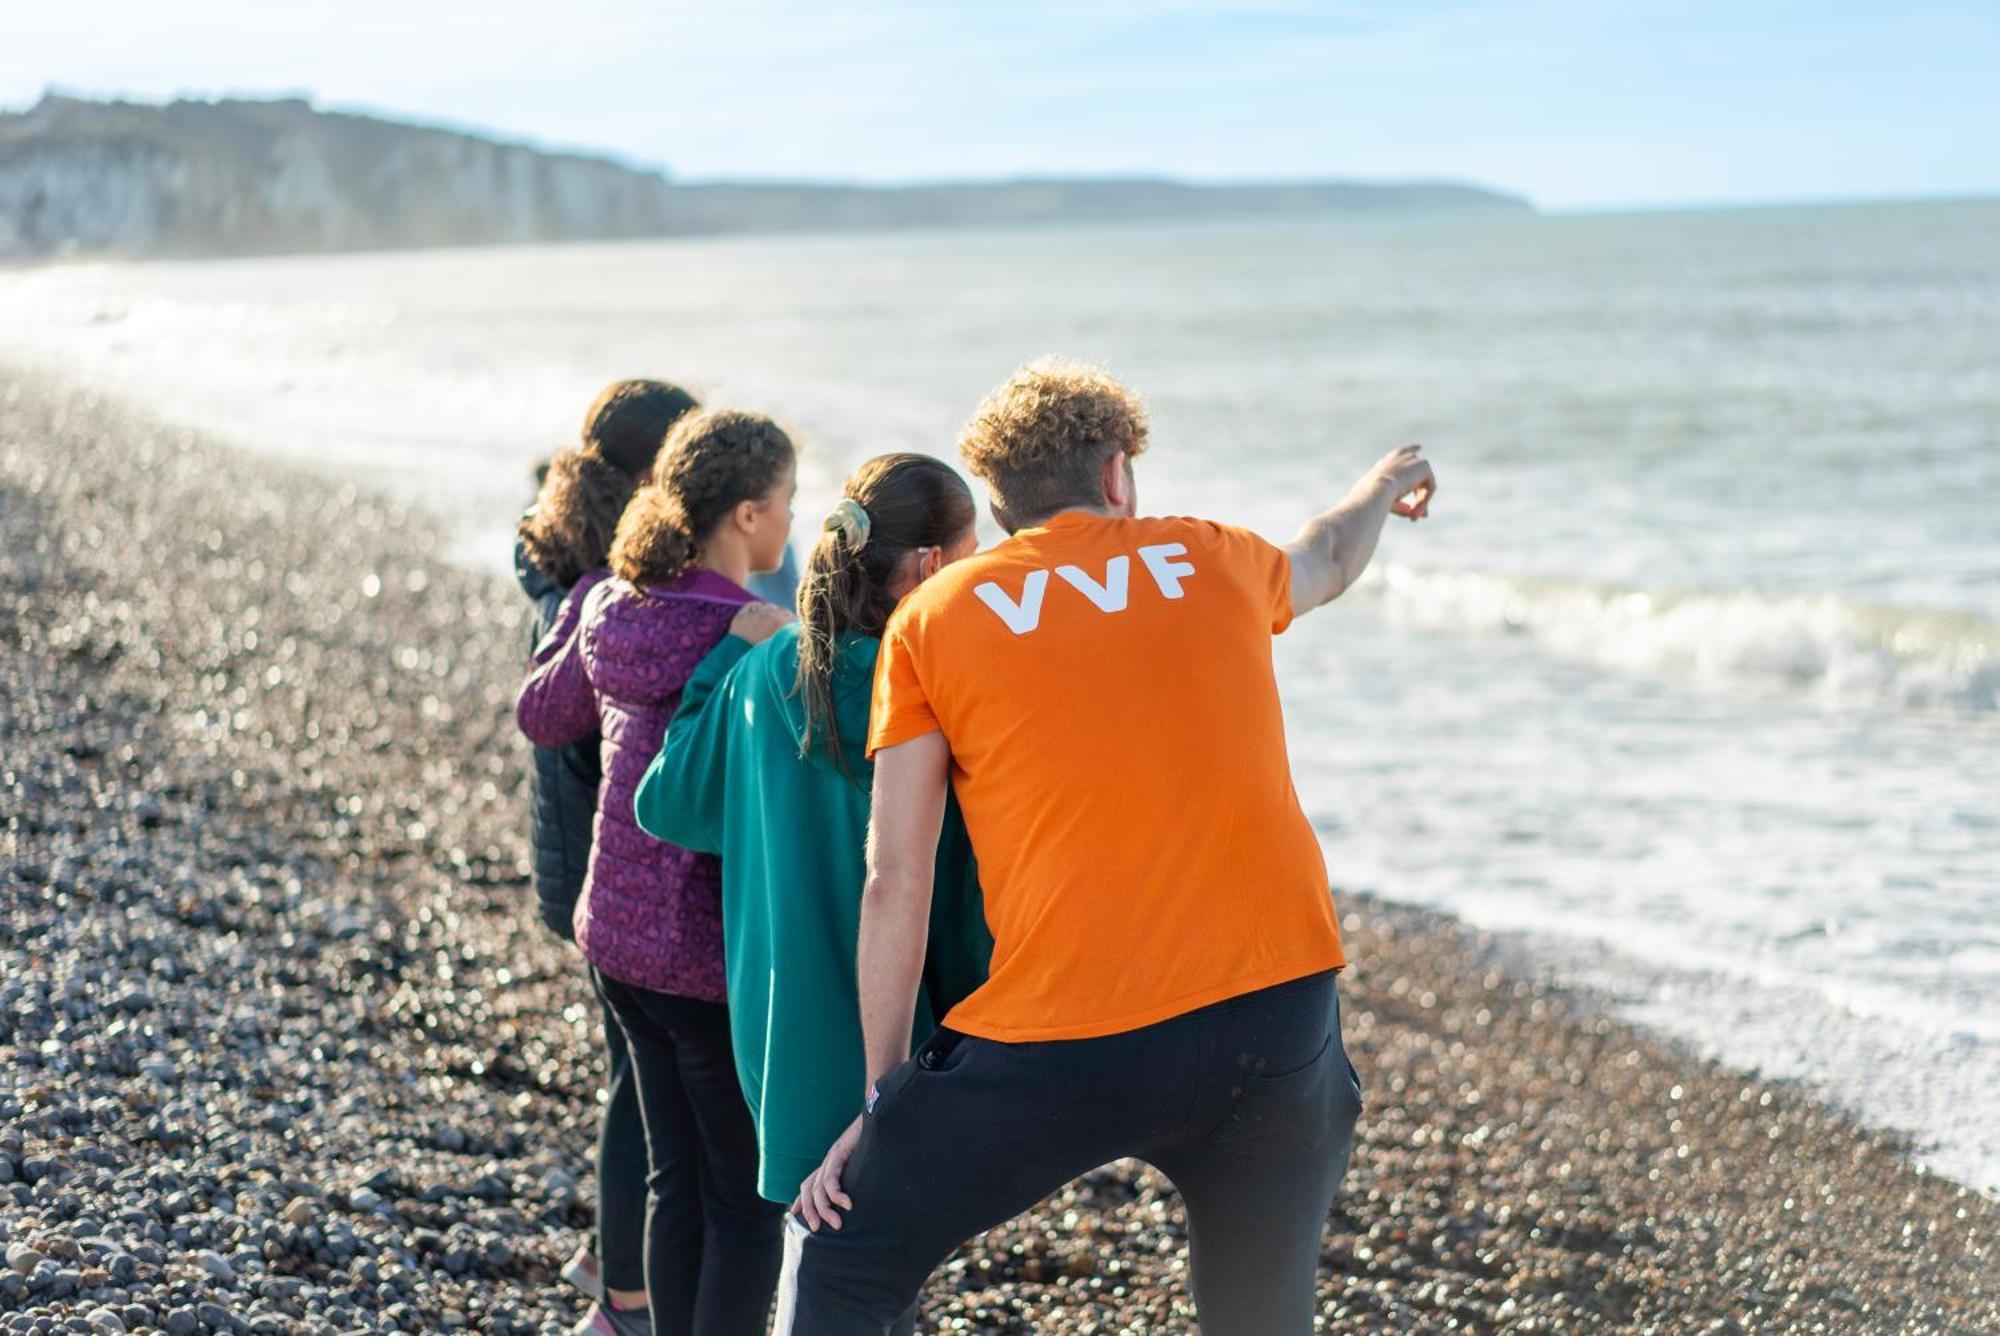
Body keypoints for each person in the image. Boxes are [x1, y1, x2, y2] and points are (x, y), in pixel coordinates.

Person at [782, 359, 1437, 1335]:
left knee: (838, 1256)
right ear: (1117, 473)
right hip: (1278, 1016)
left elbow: (895, 875)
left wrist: (886, 1099)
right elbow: (1329, 556)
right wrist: (1380, 485)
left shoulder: (936, 615)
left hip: (1067, 1041)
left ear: (997, 505)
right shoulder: (1213, 554)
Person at [631, 456, 993, 1321]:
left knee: (839, 1270)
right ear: (932, 569)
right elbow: (964, 900)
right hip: (898, 1049)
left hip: (779, 1047)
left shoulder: (763, 674)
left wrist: (725, 656)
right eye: (976, 555)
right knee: (863, 1284)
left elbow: (666, 801)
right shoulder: (930, 697)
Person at [518, 408, 798, 1336]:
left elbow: (547, 717)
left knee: (674, 1178)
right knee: (746, 1204)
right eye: (790, 503)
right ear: (749, 516)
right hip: (705, 959)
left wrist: (587, 599)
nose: (794, 524)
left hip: (617, 939)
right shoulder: (761, 638)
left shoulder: (612, 605)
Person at [515, 377, 699, 1319]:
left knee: (631, 1073)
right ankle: (622, 1298)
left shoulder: (559, 550)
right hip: (605, 876)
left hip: (579, 867)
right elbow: (590, 745)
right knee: (639, 1086)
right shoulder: (610, 589)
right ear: (648, 474)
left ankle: (609, 1265)